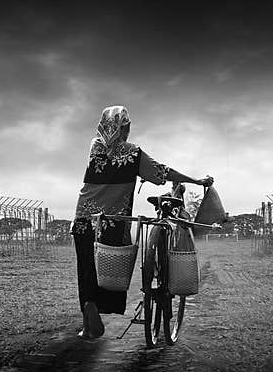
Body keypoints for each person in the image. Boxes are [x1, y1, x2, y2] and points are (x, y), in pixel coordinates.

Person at [71, 105, 212, 339]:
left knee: (86, 270)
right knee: (108, 269)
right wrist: (196, 180)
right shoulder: (132, 153)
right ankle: (96, 315)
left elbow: (110, 149)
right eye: (127, 126)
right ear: (124, 127)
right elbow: (162, 172)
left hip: (84, 219)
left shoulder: (94, 146)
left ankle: (89, 318)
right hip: (112, 222)